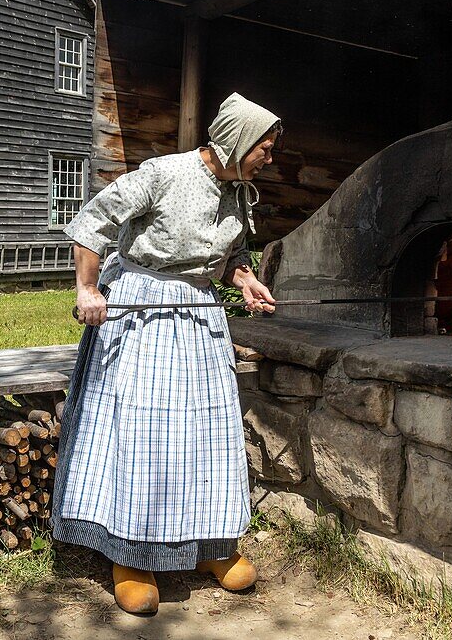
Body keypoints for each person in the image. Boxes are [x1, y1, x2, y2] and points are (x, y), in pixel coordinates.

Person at [51, 92, 281, 615]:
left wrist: (243, 281)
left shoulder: (239, 190)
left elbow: (230, 254)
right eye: (263, 148)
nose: (270, 158)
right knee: (148, 429)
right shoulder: (163, 174)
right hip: (143, 309)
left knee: (207, 428)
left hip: (199, 315)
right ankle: (132, 557)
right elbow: (93, 222)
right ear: (235, 142)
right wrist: (88, 290)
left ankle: (209, 546)